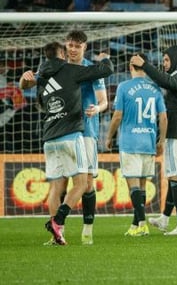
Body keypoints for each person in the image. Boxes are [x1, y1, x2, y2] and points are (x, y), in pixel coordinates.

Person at [20, 42, 112, 246]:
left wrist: (23, 80)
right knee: (82, 183)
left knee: (56, 187)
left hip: (49, 138)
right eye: (68, 47)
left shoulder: (42, 75)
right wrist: (105, 59)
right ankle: (58, 221)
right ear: (62, 54)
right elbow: (106, 70)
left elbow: (27, 88)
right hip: (71, 135)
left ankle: (58, 235)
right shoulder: (71, 69)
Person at [134, 46, 177, 236]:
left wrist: (145, 66)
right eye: (163, 60)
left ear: (176, 60)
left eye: (167, 60)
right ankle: (164, 218)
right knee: (174, 178)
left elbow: (170, 83)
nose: (164, 64)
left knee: (176, 179)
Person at [105, 55, 167, 237]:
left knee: (133, 186)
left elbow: (117, 115)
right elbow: (163, 117)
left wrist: (109, 136)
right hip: (148, 142)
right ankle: (135, 225)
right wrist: (161, 141)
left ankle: (142, 224)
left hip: (130, 142)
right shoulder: (155, 88)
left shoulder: (124, 87)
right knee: (142, 186)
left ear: (130, 67)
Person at [64, 29, 109, 245]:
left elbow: (104, 101)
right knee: (61, 182)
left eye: (78, 46)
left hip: (87, 131)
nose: (73, 49)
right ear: (66, 45)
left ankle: (87, 229)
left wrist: (97, 109)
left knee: (88, 183)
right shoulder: (59, 68)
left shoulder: (92, 70)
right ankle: (59, 231)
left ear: (85, 47)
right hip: (63, 131)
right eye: (70, 45)